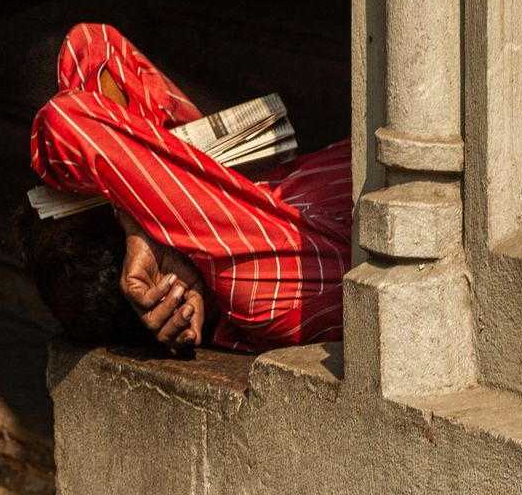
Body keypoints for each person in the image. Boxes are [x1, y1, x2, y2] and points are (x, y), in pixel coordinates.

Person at [23, 23, 351, 352]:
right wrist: (135, 214)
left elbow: (95, 44)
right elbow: (66, 120)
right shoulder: (251, 280)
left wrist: (133, 219)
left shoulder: (225, 224)